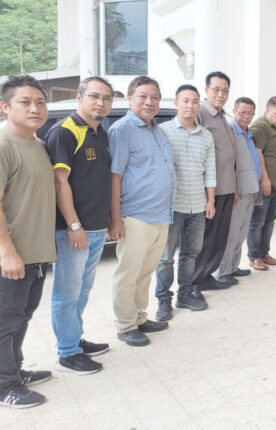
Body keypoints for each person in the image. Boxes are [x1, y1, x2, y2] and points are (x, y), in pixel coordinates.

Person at [45, 77, 114, 375]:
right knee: (67, 292)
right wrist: (74, 225)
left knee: (83, 289)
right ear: (79, 97)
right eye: (94, 96)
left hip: (96, 228)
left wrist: (109, 220)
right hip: (72, 230)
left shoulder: (100, 132)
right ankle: (67, 353)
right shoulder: (65, 131)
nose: (101, 102)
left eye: (106, 98)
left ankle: (75, 339)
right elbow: (59, 182)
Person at [0, 75, 56, 408]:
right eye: (25, 102)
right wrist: (6, 252)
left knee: (22, 316)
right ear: (5, 107)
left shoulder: (37, 144)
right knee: (5, 321)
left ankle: (14, 370)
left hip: (35, 253)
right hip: (12, 256)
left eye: (40, 102)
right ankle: (4, 385)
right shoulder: (3, 144)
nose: (35, 108)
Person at [108, 76, 175, 347]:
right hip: (135, 215)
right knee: (128, 273)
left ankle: (139, 316)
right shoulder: (122, 130)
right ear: (129, 98)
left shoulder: (157, 130)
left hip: (161, 215)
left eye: (155, 97)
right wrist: (115, 218)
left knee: (145, 272)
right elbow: (115, 176)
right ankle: (125, 325)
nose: (150, 102)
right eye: (143, 96)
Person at [154, 84, 216, 322]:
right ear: (176, 103)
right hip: (171, 207)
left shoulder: (206, 135)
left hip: (198, 205)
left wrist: (210, 201)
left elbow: (210, 170)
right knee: (166, 257)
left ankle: (186, 292)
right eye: (186, 101)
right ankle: (163, 298)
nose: (190, 106)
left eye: (195, 101)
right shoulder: (163, 131)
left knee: (190, 254)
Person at [192, 71, 238, 290]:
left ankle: (206, 276)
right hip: (210, 191)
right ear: (206, 90)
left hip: (227, 188)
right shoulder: (200, 113)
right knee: (204, 240)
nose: (221, 95)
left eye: (225, 91)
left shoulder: (223, 116)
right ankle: (193, 281)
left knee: (219, 238)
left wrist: (234, 188)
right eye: (216, 90)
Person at [213, 97, 260, 282]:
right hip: (238, 191)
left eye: (250, 114)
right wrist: (233, 189)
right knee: (231, 234)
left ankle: (233, 267)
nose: (246, 117)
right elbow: (227, 164)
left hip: (251, 188)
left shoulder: (249, 132)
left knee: (241, 232)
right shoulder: (231, 131)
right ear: (234, 111)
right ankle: (222, 272)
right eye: (243, 113)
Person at [247, 97, 276, 270]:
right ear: (267, 110)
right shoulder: (261, 127)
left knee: (270, 220)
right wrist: (264, 179)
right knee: (257, 221)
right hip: (264, 184)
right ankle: (254, 256)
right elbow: (257, 154)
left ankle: (264, 253)